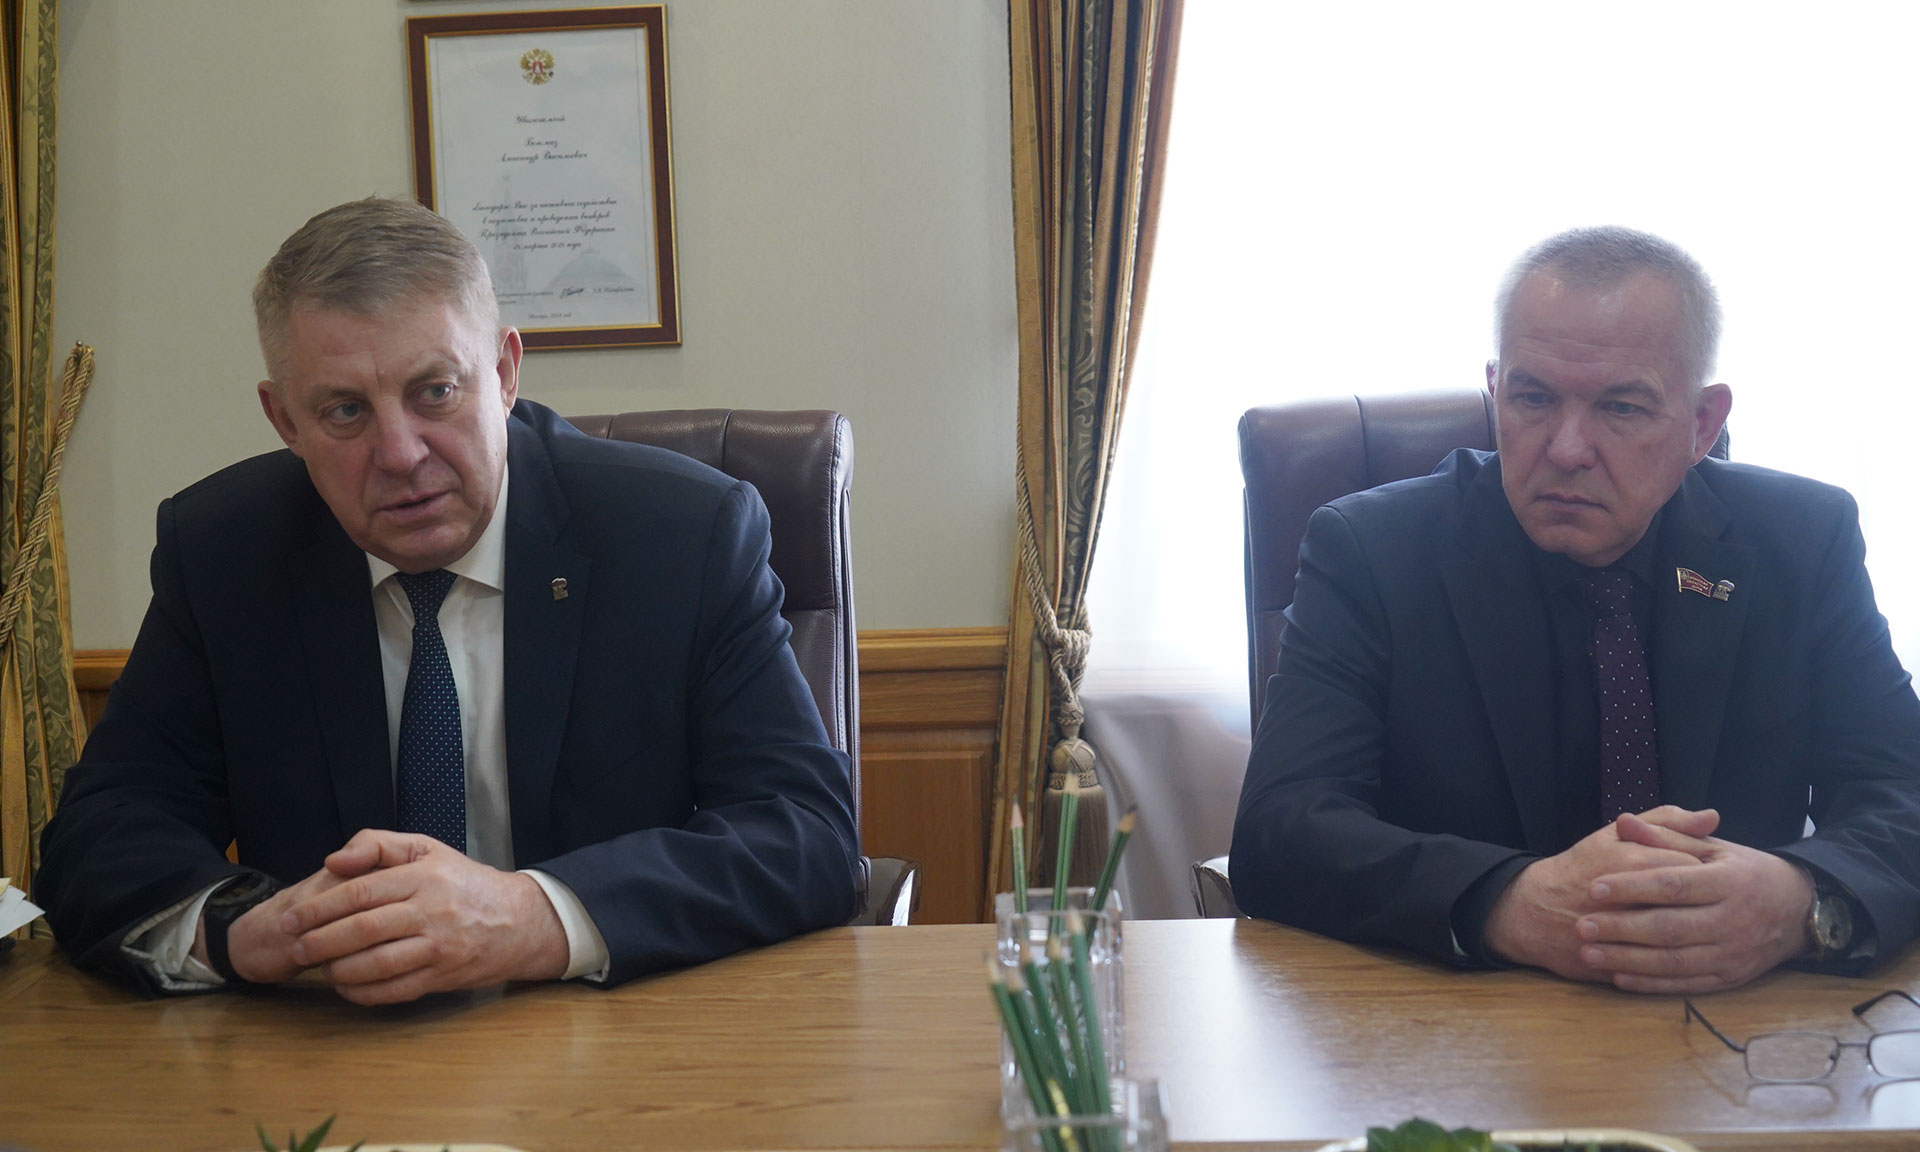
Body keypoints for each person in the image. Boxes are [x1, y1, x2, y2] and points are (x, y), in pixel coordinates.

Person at [37, 198, 859, 1003]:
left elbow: (805, 835)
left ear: (503, 373)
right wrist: (246, 931)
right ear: (284, 420)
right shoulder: (225, 553)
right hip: (332, 1045)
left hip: (619, 1040)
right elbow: (100, 833)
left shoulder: (682, 536)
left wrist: (531, 918)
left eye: (435, 391)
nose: (400, 454)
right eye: (345, 411)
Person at [1231, 226, 1920, 994]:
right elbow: (1281, 831)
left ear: (1701, 424)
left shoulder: (1801, 541)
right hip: (1460, 1021)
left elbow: (1904, 790)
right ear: (1496, 389)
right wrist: (1506, 901)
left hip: (1741, 1016)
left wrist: (1801, 900)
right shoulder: (1372, 552)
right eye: (1532, 398)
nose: (1565, 448)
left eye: (1620, 407)